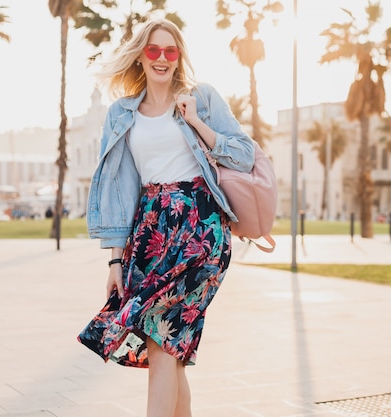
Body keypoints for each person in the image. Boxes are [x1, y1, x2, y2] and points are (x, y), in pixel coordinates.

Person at [77, 18, 255, 417]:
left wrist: (195, 121)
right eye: (153, 50)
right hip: (152, 234)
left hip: (202, 231)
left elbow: (244, 153)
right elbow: (121, 191)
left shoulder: (201, 98)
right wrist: (115, 259)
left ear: (179, 57)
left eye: (170, 51)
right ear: (141, 56)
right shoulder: (122, 114)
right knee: (168, 349)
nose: (161, 58)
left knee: (161, 345)